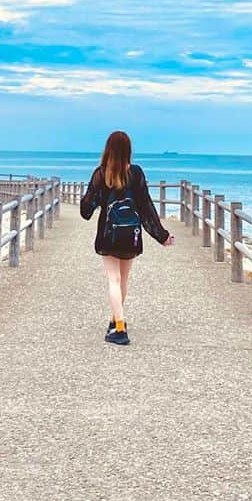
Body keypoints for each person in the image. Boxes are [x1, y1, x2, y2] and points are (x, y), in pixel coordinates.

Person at [80, 130, 174, 345]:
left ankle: (119, 329)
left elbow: (86, 208)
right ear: (128, 150)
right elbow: (146, 208)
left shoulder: (100, 174)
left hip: (108, 234)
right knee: (123, 280)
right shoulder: (137, 173)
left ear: (108, 149)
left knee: (113, 279)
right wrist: (162, 235)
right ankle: (116, 319)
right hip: (131, 235)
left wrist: (97, 198)